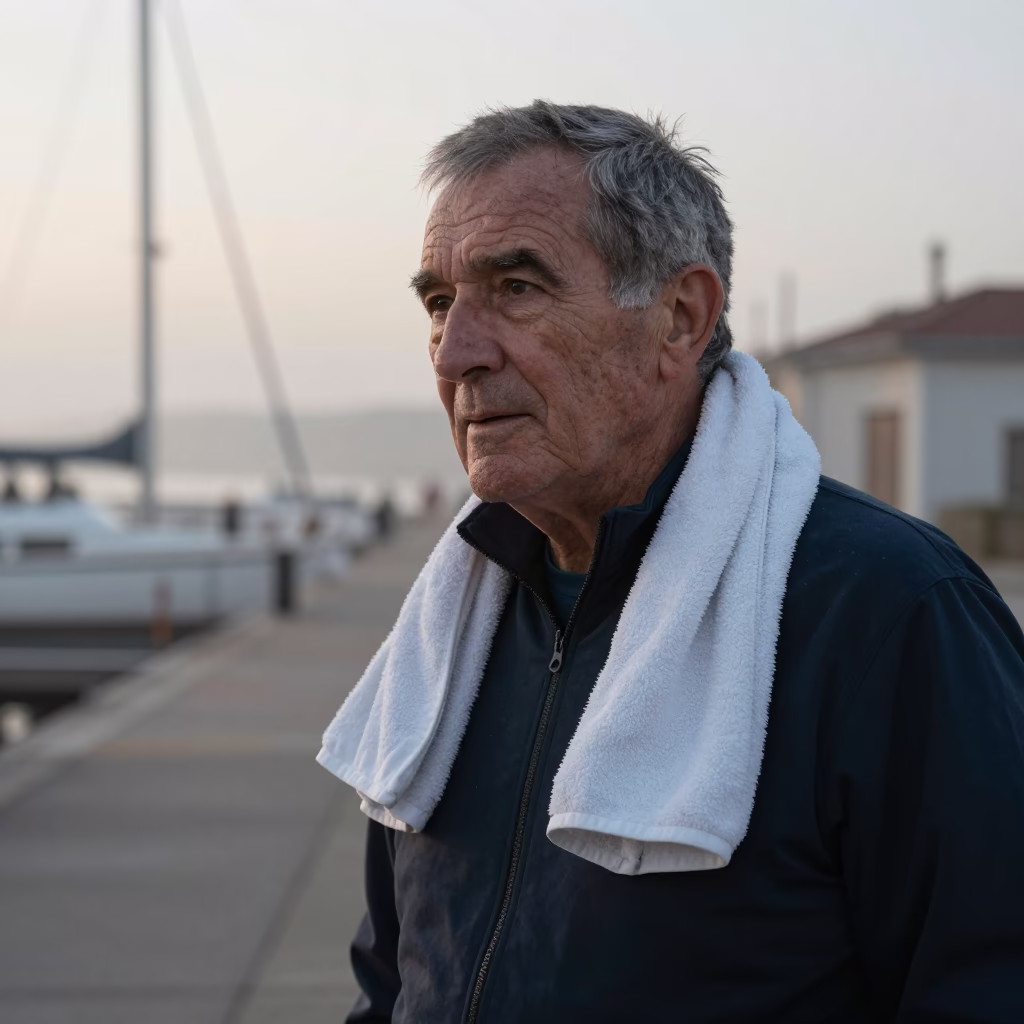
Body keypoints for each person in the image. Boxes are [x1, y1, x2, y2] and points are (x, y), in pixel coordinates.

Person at [318, 102, 1024, 1022]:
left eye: (517, 287)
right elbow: (393, 978)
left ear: (680, 318)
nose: (457, 354)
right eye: (440, 304)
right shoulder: (456, 623)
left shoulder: (890, 611)